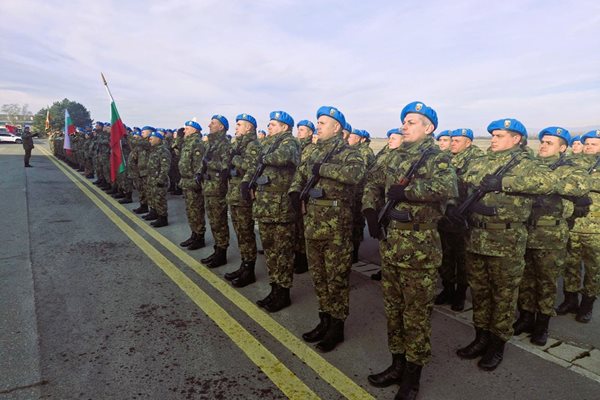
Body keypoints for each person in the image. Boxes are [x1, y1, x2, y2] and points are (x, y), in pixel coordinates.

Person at [363, 101, 457, 400]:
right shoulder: (393, 156)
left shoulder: (436, 158)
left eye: (412, 121)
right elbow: (373, 182)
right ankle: (396, 364)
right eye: (404, 120)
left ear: (428, 128)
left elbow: (448, 188)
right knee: (393, 310)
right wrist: (369, 210)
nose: (405, 125)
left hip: (419, 249)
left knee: (415, 314)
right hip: (392, 245)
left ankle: (412, 378)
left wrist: (408, 192)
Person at [455, 118, 556, 371]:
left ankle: (497, 344)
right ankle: (481, 337)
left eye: (500, 135)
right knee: (479, 291)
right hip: (476, 237)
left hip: (506, 240)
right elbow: (463, 181)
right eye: (493, 135)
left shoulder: (528, 163)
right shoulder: (482, 160)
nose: (494, 139)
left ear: (517, 139)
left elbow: (546, 183)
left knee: (504, 295)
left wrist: (503, 183)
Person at [289, 106, 365, 352]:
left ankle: (337, 326)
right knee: (319, 276)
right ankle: (324, 319)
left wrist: (323, 169)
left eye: (323, 122)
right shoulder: (311, 150)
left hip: (336, 226)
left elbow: (355, 174)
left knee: (336, 278)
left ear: (337, 128)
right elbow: (300, 175)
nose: (318, 126)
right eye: (318, 122)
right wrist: (293, 192)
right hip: (312, 222)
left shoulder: (348, 152)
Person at [513, 127, 589, 345]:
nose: (543, 146)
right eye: (542, 142)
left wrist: (543, 185)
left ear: (563, 147)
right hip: (525, 230)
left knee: (546, 281)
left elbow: (580, 186)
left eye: (549, 143)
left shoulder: (570, 168)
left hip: (551, 234)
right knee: (525, 278)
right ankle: (526, 317)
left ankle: (542, 324)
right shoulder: (531, 166)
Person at [242, 111, 300, 312]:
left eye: (274, 124)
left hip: (281, 207)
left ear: (285, 127)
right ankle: (274, 288)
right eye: (269, 124)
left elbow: (283, 157)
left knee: (282, 251)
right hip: (265, 206)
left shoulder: (289, 143)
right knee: (270, 250)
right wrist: (245, 182)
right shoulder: (268, 144)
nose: (269, 127)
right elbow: (254, 166)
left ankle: (283, 292)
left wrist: (262, 156)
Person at [435, 128, 484, 311]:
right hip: (446, 216)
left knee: (463, 259)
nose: (452, 143)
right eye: (451, 140)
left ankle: (460, 294)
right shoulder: (446, 158)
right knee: (445, 256)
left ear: (468, 143)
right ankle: (447, 289)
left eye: (457, 140)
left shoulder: (477, 160)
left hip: (464, 218)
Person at [557, 129, 600, 323]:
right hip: (573, 223)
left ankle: (587, 303)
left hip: (596, 227)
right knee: (570, 264)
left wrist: (581, 184)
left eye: (595, 143)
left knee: (594, 268)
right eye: (588, 143)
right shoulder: (575, 162)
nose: (590, 147)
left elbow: (574, 184)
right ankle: (570, 299)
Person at [223, 114, 261, 287]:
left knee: (246, 232)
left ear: (249, 128)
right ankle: (244, 264)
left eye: (239, 125)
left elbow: (252, 166)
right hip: (234, 192)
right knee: (239, 231)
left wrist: (235, 159)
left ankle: (249, 269)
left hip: (243, 194)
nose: (236, 127)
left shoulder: (253, 145)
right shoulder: (238, 143)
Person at [198, 115, 232, 268]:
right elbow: (203, 162)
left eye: (213, 123)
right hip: (209, 186)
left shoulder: (224, 144)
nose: (209, 125)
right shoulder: (211, 143)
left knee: (219, 220)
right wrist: (200, 172)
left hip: (217, 187)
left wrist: (209, 163)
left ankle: (222, 252)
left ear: (221, 127)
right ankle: (217, 249)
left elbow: (225, 166)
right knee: (213, 220)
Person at [292, 119, 317, 274]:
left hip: (304, 191)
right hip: (294, 190)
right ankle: (297, 254)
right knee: (295, 226)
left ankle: (303, 258)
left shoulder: (311, 149)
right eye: (298, 129)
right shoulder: (295, 147)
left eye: (303, 129)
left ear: (310, 133)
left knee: (302, 227)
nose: (299, 132)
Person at [178, 121, 207, 250]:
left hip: (193, 182)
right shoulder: (187, 142)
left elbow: (198, 165)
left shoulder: (197, 143)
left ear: (195, 130)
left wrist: (197, 182)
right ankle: (194, 234)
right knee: (190, 210)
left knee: (196, 210)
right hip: (186, 181)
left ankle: (200, 237)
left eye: (187, 129)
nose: (184, 131)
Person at [145, 129, 171, 227]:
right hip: (152, 178)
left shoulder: (163, 150)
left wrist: (161, 179)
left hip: (159, 179)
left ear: (158, 139)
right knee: (153, 197)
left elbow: (165, 167)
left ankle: (163, 218)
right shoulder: (154, 150)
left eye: (152, 139)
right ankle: (154, 213)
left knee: (160, 199)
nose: (150, 140)